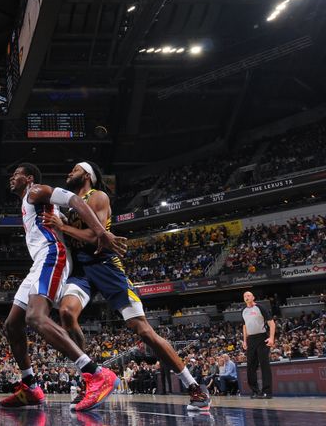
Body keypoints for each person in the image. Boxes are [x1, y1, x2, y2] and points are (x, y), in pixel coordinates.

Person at [43, 161, 211, 412]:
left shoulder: (97, 196)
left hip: (106, 266)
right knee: (66, 313)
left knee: (143, 331)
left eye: (75, 169)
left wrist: (63, 226)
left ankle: (194, 386)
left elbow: (94, 236)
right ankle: (91, 379)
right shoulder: (70, 203)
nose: (69, 172)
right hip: (82, 270)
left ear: (87, 175)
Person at [0, 163, 126, 412]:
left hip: (52, 256)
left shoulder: (36, 191)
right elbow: (63, 214)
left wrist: (101, 232)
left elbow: (75, 202)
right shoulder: (29, 201)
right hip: (39, 262)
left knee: (35, 317)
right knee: (12, 325)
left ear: (29, 178)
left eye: (16, 174)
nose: (12, 178)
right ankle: (30, 386)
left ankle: (96, 373)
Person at [242, 291, 275, 398]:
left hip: (262, 338)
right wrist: (245, 340)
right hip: (251, 339)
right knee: (250, 366)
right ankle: (255, 391)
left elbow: (271, 323)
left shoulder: (260, 308)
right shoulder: (243, 311)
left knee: (264, 365)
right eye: (245, 296)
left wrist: (271, 338)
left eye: (248, 295)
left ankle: (267, 392)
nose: (246, 297)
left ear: (253, 297)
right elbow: (245, 326)